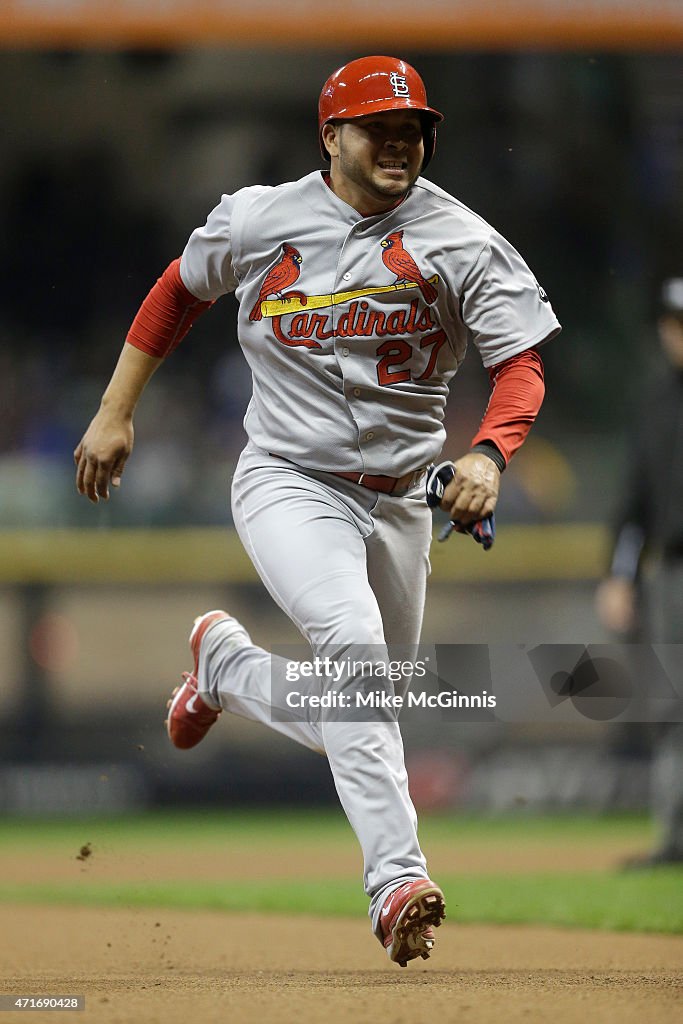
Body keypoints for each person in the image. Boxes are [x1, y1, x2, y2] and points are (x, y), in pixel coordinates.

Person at [74, 56, 560, 964]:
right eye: (377, 127)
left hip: (404, 503)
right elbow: (181, 287)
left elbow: (521, 363)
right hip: (288, 480)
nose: (398, 142)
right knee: (358, 657)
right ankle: (395, 879)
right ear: (330, 136)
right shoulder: (264, 216)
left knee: (370, 700)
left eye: (411, 128)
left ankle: (227, 669)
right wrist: (115, 408)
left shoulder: (460, 238)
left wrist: (491, 453)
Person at [595, 277, 683, 867]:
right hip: (676, 572)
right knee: (674, 706)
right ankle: (677, 840)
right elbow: (634, 507)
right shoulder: (656, 404)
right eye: (674, 323)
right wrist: (621, 575)